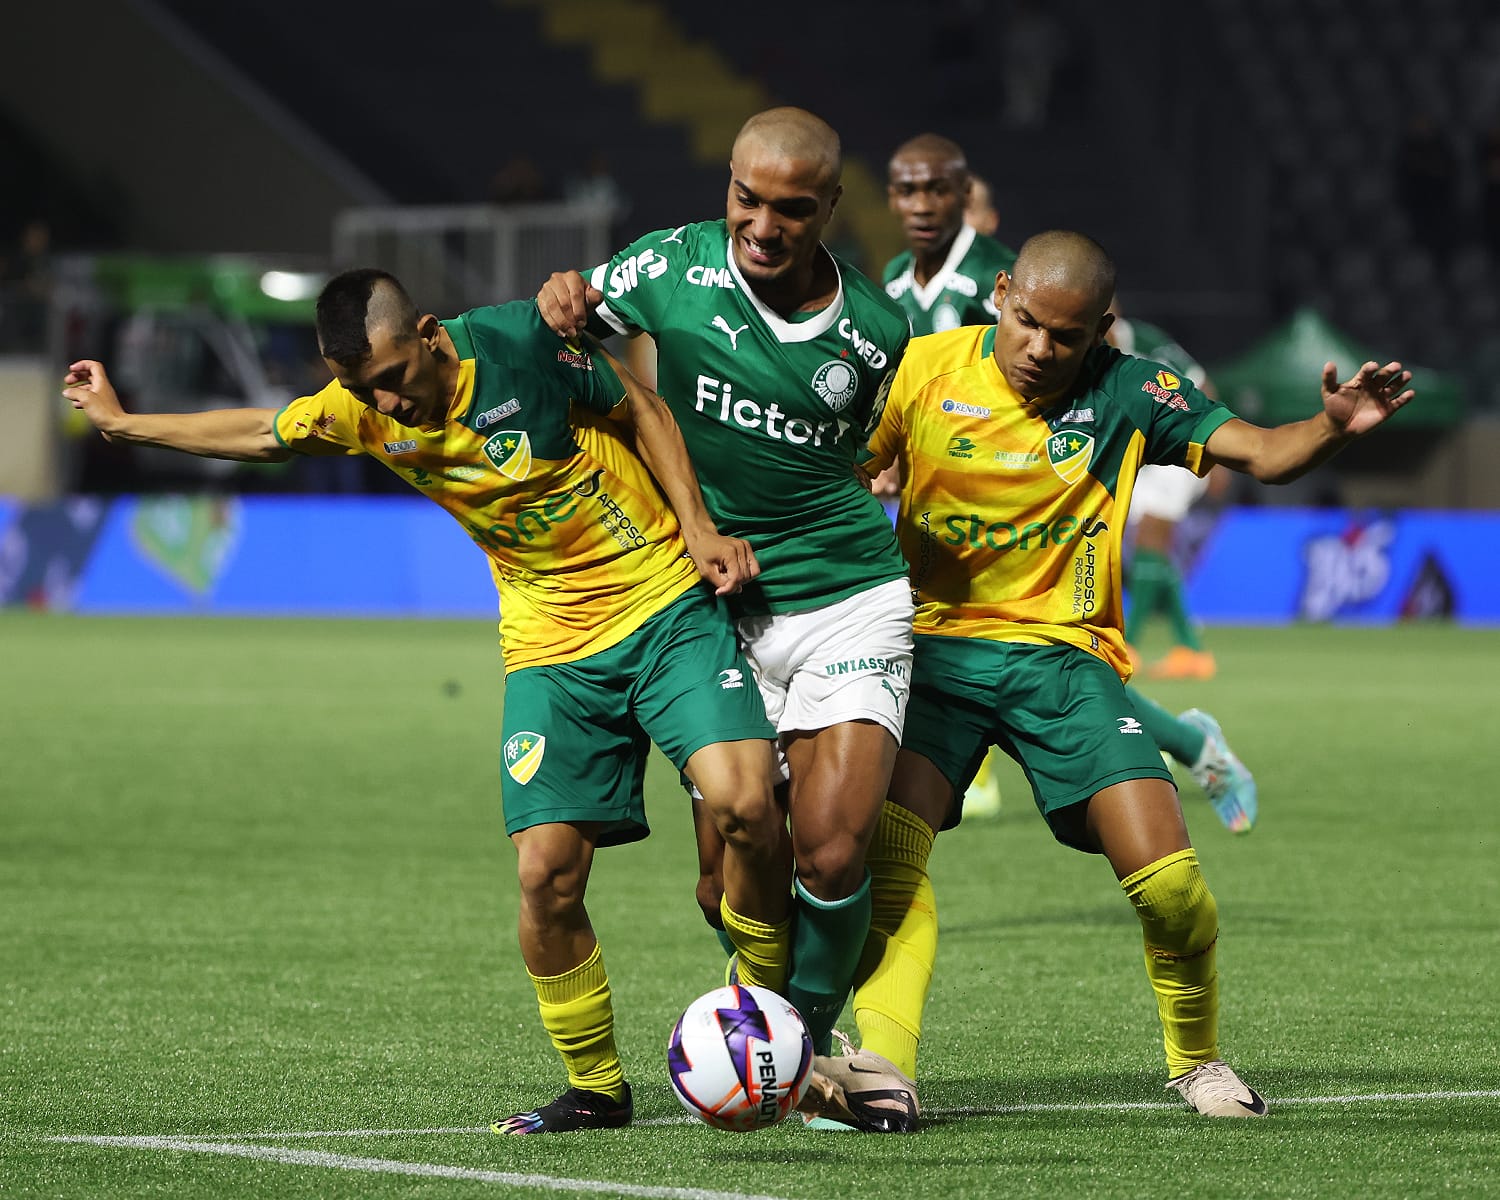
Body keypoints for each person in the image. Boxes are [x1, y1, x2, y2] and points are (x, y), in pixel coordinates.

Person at [62, 268, 795, 1135]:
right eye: (360, 388)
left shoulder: (521, 343)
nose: (385, 403)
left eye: (393, 377)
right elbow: (265, 429)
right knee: (544, 877)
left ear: (429, 332)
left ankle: (771, 1013)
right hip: (552, 652)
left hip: (663, 605)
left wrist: (702, 529)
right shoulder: (359, 408)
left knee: (748, 805)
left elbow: (644, 408)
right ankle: (598, 1088)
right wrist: (121, 422)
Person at [818, 230, 1413, 1131]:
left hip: (1068, 664)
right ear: (1003, 293)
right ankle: (883, 1070)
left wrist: (1332, 425)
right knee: (886, 860)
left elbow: (1257, 449)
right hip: (936, 656)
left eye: (1067, 336)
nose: (1040, 351)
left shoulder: (1131, 390)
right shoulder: (924, 367)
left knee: (1172, 890)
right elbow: (839, 475)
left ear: (1102, 330)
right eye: (1026, 323)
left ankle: (1199, 1063)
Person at [535, 106, 916, 1066]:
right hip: (717, 609)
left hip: (846, 596)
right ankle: (773, 1023)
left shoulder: (877, 331)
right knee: (724, 881)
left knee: (831, 851)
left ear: (831, 205)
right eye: (746, 199)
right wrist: (559, 300)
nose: (762, 225)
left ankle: (804, 1044)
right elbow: (571, 329)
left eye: (792, 208)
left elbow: (873, 450)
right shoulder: (669, 267)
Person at [880, 134, 1021, 818]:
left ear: (965, 197)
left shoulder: (1002, 276)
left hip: (998, 499)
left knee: (1014, 640)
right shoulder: (893, 281)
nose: (921, 205)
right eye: (907, 190)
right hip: (925, 498)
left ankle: (955, 767)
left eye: (937, 190)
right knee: (928, 632)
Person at [1110, 299, 1226, 682]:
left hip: (1181, 447)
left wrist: (1217, 448)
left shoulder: (1144, 339)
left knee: (1149, 541)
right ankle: (1190, 649)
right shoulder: (1090, 353)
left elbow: (1200, 379)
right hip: (1149, 459)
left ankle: (1130, 646)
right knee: (1153, 550)